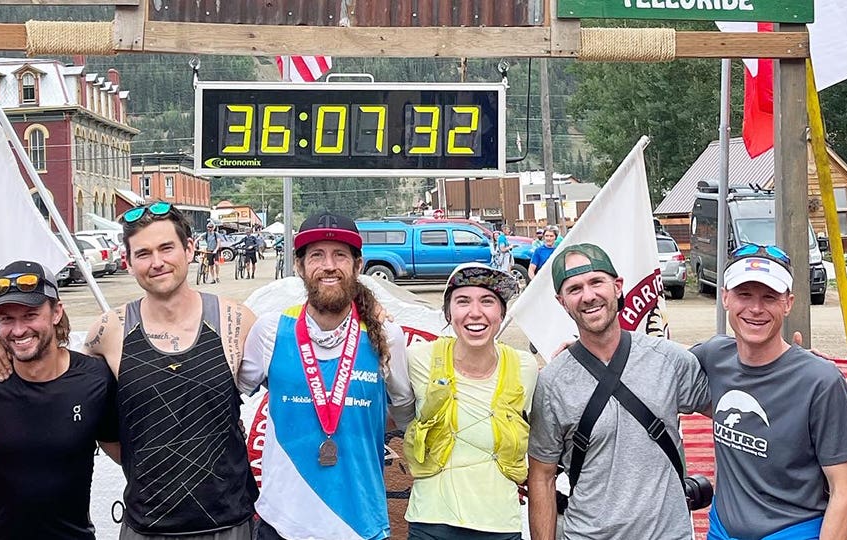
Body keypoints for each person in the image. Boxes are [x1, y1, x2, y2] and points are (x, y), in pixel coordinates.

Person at [0, 201, 258, 540]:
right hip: (146, 525)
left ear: (190, 248)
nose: (156, 263)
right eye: (143, 253)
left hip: (230, 524)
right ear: (128, 262)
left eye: (166, 248)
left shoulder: (238, 321)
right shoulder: (108, 331)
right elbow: (60, 374)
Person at [239, 211, 416, 540]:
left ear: (358, 266)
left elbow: (405, 413)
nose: (329, 265)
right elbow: (224, 400)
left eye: (340, 255)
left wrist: (359, 415)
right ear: (299, 266)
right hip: (282, 524)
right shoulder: (271, 332)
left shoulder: (386, 336)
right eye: (317, 255)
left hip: (359, 525)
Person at [526, 243, 708, 540]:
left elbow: (732, 404)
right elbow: (542, 476)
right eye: (574, 289)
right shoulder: (552, 383)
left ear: (618, 286)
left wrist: (801, 369)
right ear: (561, 302)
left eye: (596, 282)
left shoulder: (668, 360)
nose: (588, 296)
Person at [691, 244, 847, 540]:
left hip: (793, 531)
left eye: (769, 297)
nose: (756, 309)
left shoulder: (820, 381)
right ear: (725, 297)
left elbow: (845, 492)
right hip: (723, 531)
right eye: (744, 294)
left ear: (788, 303)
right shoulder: (713, 356)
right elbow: (653, 367)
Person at [0, 260, 120, 539]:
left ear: (57, 312)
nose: (19, 330)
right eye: (7, 319)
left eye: (30, 315)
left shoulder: (95, 380)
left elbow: (125, 456)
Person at [403, 262, 537, 539]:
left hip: (501, 525)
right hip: (431, 523)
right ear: (449, 313)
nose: (475, 313)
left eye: (487, 301)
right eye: (462, 301)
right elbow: (400, 412)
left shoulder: (525, 366)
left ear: (502, 312)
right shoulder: (419, 359)